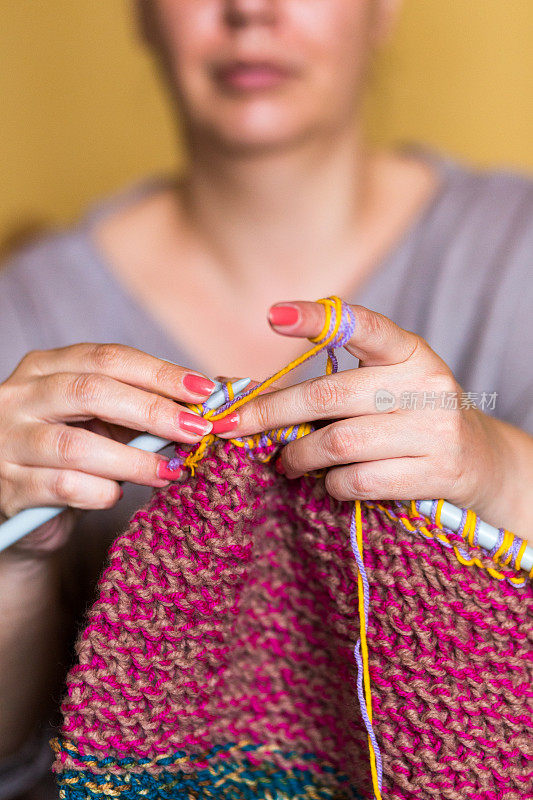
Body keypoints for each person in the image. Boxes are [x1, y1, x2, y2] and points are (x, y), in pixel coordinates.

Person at [0, 1, 532, 796]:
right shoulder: (26, 311)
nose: (250, 9)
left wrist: (498, 469)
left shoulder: (512, 252)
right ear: (142, 15)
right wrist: (12, 560)